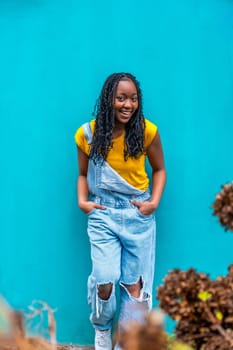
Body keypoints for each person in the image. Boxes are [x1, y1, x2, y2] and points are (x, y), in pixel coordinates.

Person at [74, 72, 166, 350]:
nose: (128, 105)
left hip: (138, 216)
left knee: (134, 288)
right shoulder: (87, 134)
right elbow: (81, 174)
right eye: (121, 98)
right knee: (105, 280)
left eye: (133, 99)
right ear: (108, 100)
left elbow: (160, 170)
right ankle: (102, 328)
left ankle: (126, 344)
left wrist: (153, 203)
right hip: (103, 215)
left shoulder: (147, 131)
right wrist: (82, 200)